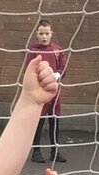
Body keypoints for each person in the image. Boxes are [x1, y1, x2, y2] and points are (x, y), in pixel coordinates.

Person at [24, 19, 68, 164]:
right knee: (39, 123)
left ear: (51, 34)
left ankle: (55, 152)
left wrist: (57, 75)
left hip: (54, 93)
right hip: (39, 92)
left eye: (46, 33)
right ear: (37, 34)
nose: (44, 36)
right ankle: (36, 151)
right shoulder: (34, 50)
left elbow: (63, 66)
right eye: (41, 33)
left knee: (54, 122)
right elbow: (29, 70)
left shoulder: (57, 50)